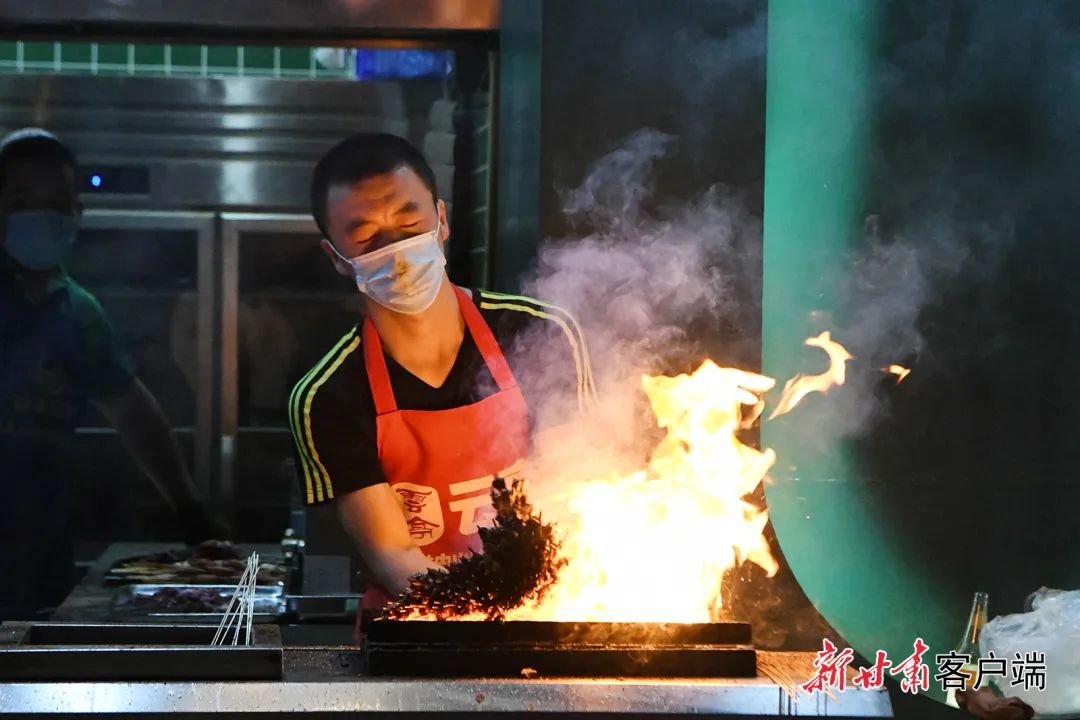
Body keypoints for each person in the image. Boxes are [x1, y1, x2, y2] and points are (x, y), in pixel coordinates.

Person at [289, 133, 594, 612]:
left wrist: (546, 614)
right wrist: (498, 613)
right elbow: (393, 554)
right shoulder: (328, 394)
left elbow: (586, 493)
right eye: (367, 237)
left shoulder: (539, 333)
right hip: (415, 643)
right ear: (337, 259)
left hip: (557, 615)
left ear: (442, 221)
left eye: (410, 225)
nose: (396, 250)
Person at [0, 128, 226, 620]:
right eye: (22, 198)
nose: (42, 213)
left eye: (57, 203)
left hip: (42, 553)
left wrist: (190, 509)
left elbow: (134, 414)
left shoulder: (79, 313)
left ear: (77, 216)